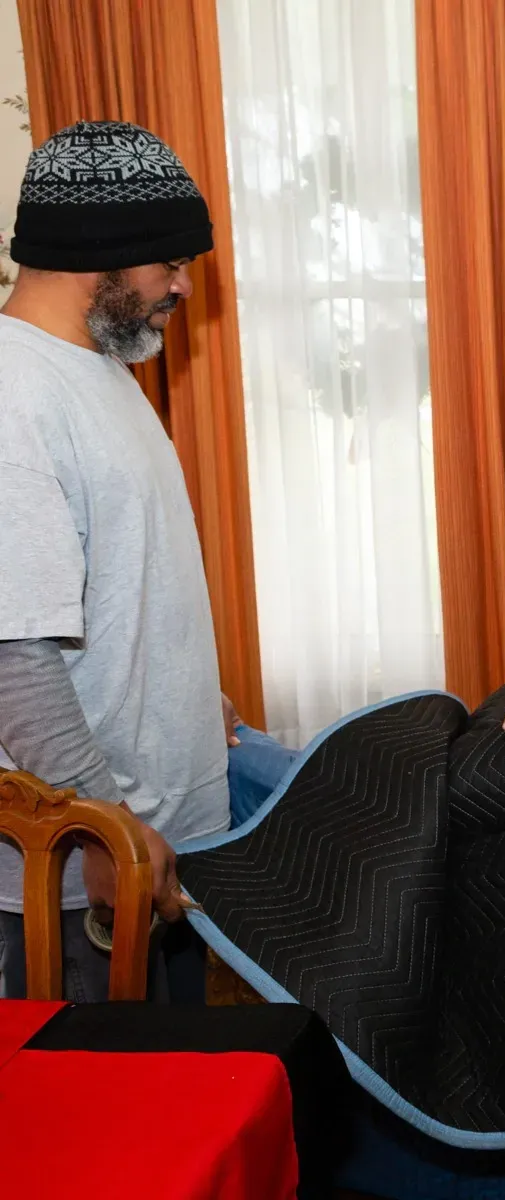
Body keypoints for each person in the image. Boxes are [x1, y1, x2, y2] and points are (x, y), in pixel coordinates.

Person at [0, 120, 291, 1001]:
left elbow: (113, 586)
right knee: (102, 1128)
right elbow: (15, 655)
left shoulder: (101, 370)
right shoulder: (14, 397)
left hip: (152, 846)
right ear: (105, 255)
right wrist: (102, 829)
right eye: (169, 262)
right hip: (88, 875)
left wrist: (193, 697)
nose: (182, 284)